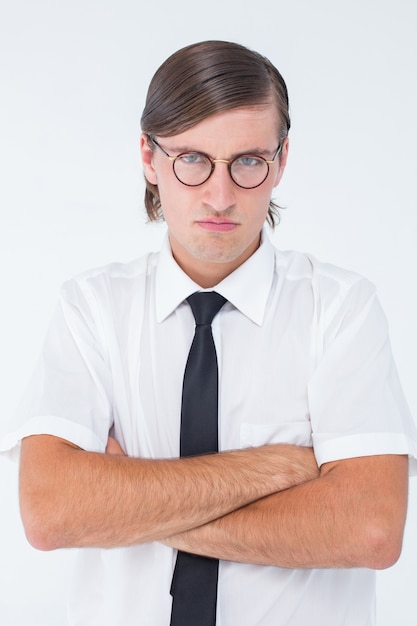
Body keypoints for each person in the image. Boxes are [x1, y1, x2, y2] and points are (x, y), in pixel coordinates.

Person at [1, 40, 417, 626]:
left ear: (282, 159)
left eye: (248, 161)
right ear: (148, 156)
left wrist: (129, 501)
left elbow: (371, 528)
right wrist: (279, 469)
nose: (220, 196)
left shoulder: (341, 309)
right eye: (191, 159)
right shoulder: (90, 309)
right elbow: (50, 512)